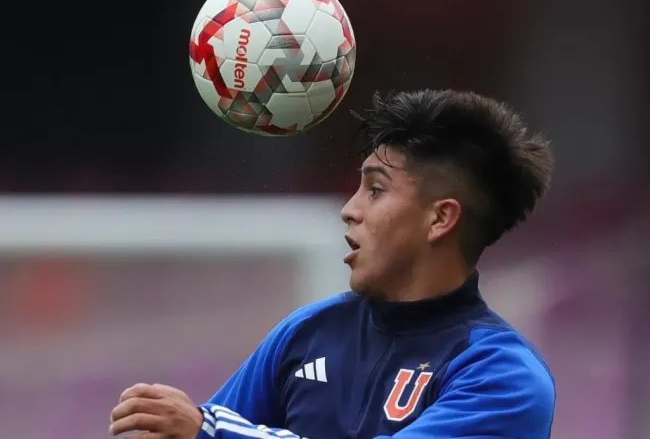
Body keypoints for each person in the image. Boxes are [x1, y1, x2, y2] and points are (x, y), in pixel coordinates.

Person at [109, 89, 556, 439]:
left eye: (375, 190)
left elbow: (208, 429)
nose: (349, 209)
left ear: (440, 218)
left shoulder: (503, 376)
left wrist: (212, 432)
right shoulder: (307, 332)